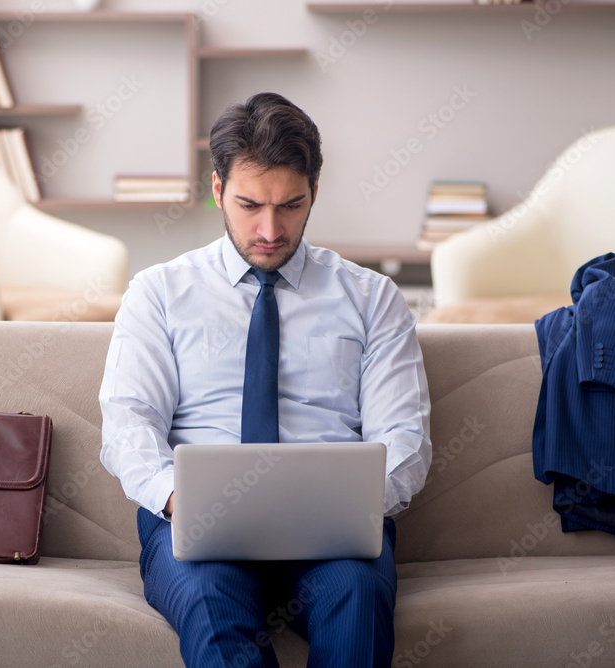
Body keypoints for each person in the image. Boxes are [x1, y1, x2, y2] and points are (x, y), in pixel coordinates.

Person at [99, 92, 431, 668]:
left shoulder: (373, 299)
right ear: (218, 189)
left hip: (333, 539)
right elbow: (129, 423)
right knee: (209, 600)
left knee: (357, 595)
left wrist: (348, 506)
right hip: (198, 531)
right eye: (251, 204)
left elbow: (405, 439)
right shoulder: (159, 293)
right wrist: (178, 500)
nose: (270, 229)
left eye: (291, 205)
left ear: (315, 193)